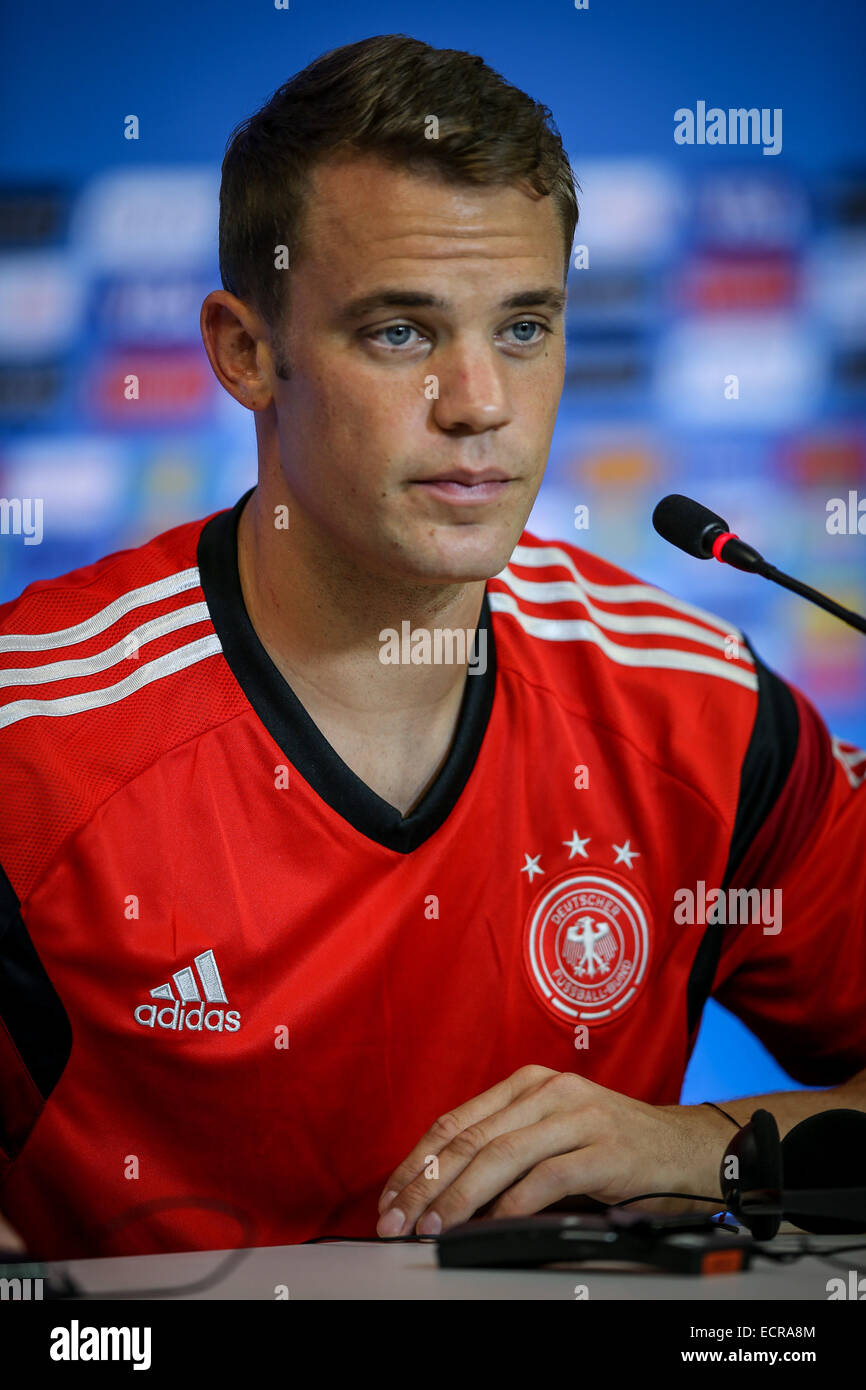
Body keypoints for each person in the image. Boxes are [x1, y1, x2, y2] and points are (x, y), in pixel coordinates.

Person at [1, 33, 864, 1261]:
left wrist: (714, 1147)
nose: (479, 402)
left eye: (523, 327)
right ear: (245, 352)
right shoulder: (31, 750)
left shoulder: (698, 712)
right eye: (400, 333)